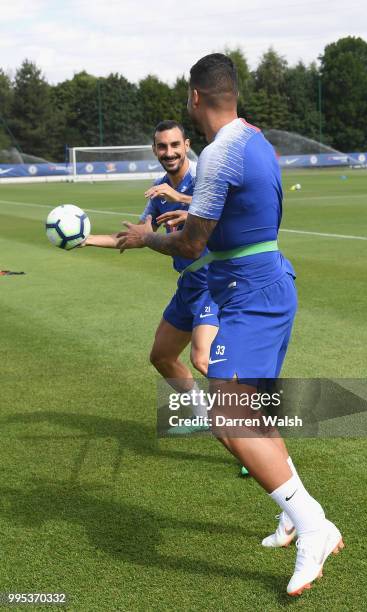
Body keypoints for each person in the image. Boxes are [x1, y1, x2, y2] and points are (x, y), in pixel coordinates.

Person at [116, 54, 343, 596]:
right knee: (238, 415)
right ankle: (296, 516)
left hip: (251, 293)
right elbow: (237, 211)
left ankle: (313, 525)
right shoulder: (254, 139)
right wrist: (190, 207)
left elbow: (193, 244)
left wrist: (149, 235)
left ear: (195, 97)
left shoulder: (218, 155)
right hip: (263, 284)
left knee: (228, 414)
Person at [84, 120, 218, 432]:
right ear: (154, 150)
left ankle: (252, 427)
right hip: (188, 284)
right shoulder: (159, 192)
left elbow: (228, 210)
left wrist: (183, 200)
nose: (169, 152)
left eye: (174, 145)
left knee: (203, 359)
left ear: (186, 145)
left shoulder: (205, 177)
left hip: (214, 281)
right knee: (162, 356)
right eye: (162, 146)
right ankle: (201, 414)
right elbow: (137, 235)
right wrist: (86, 240)